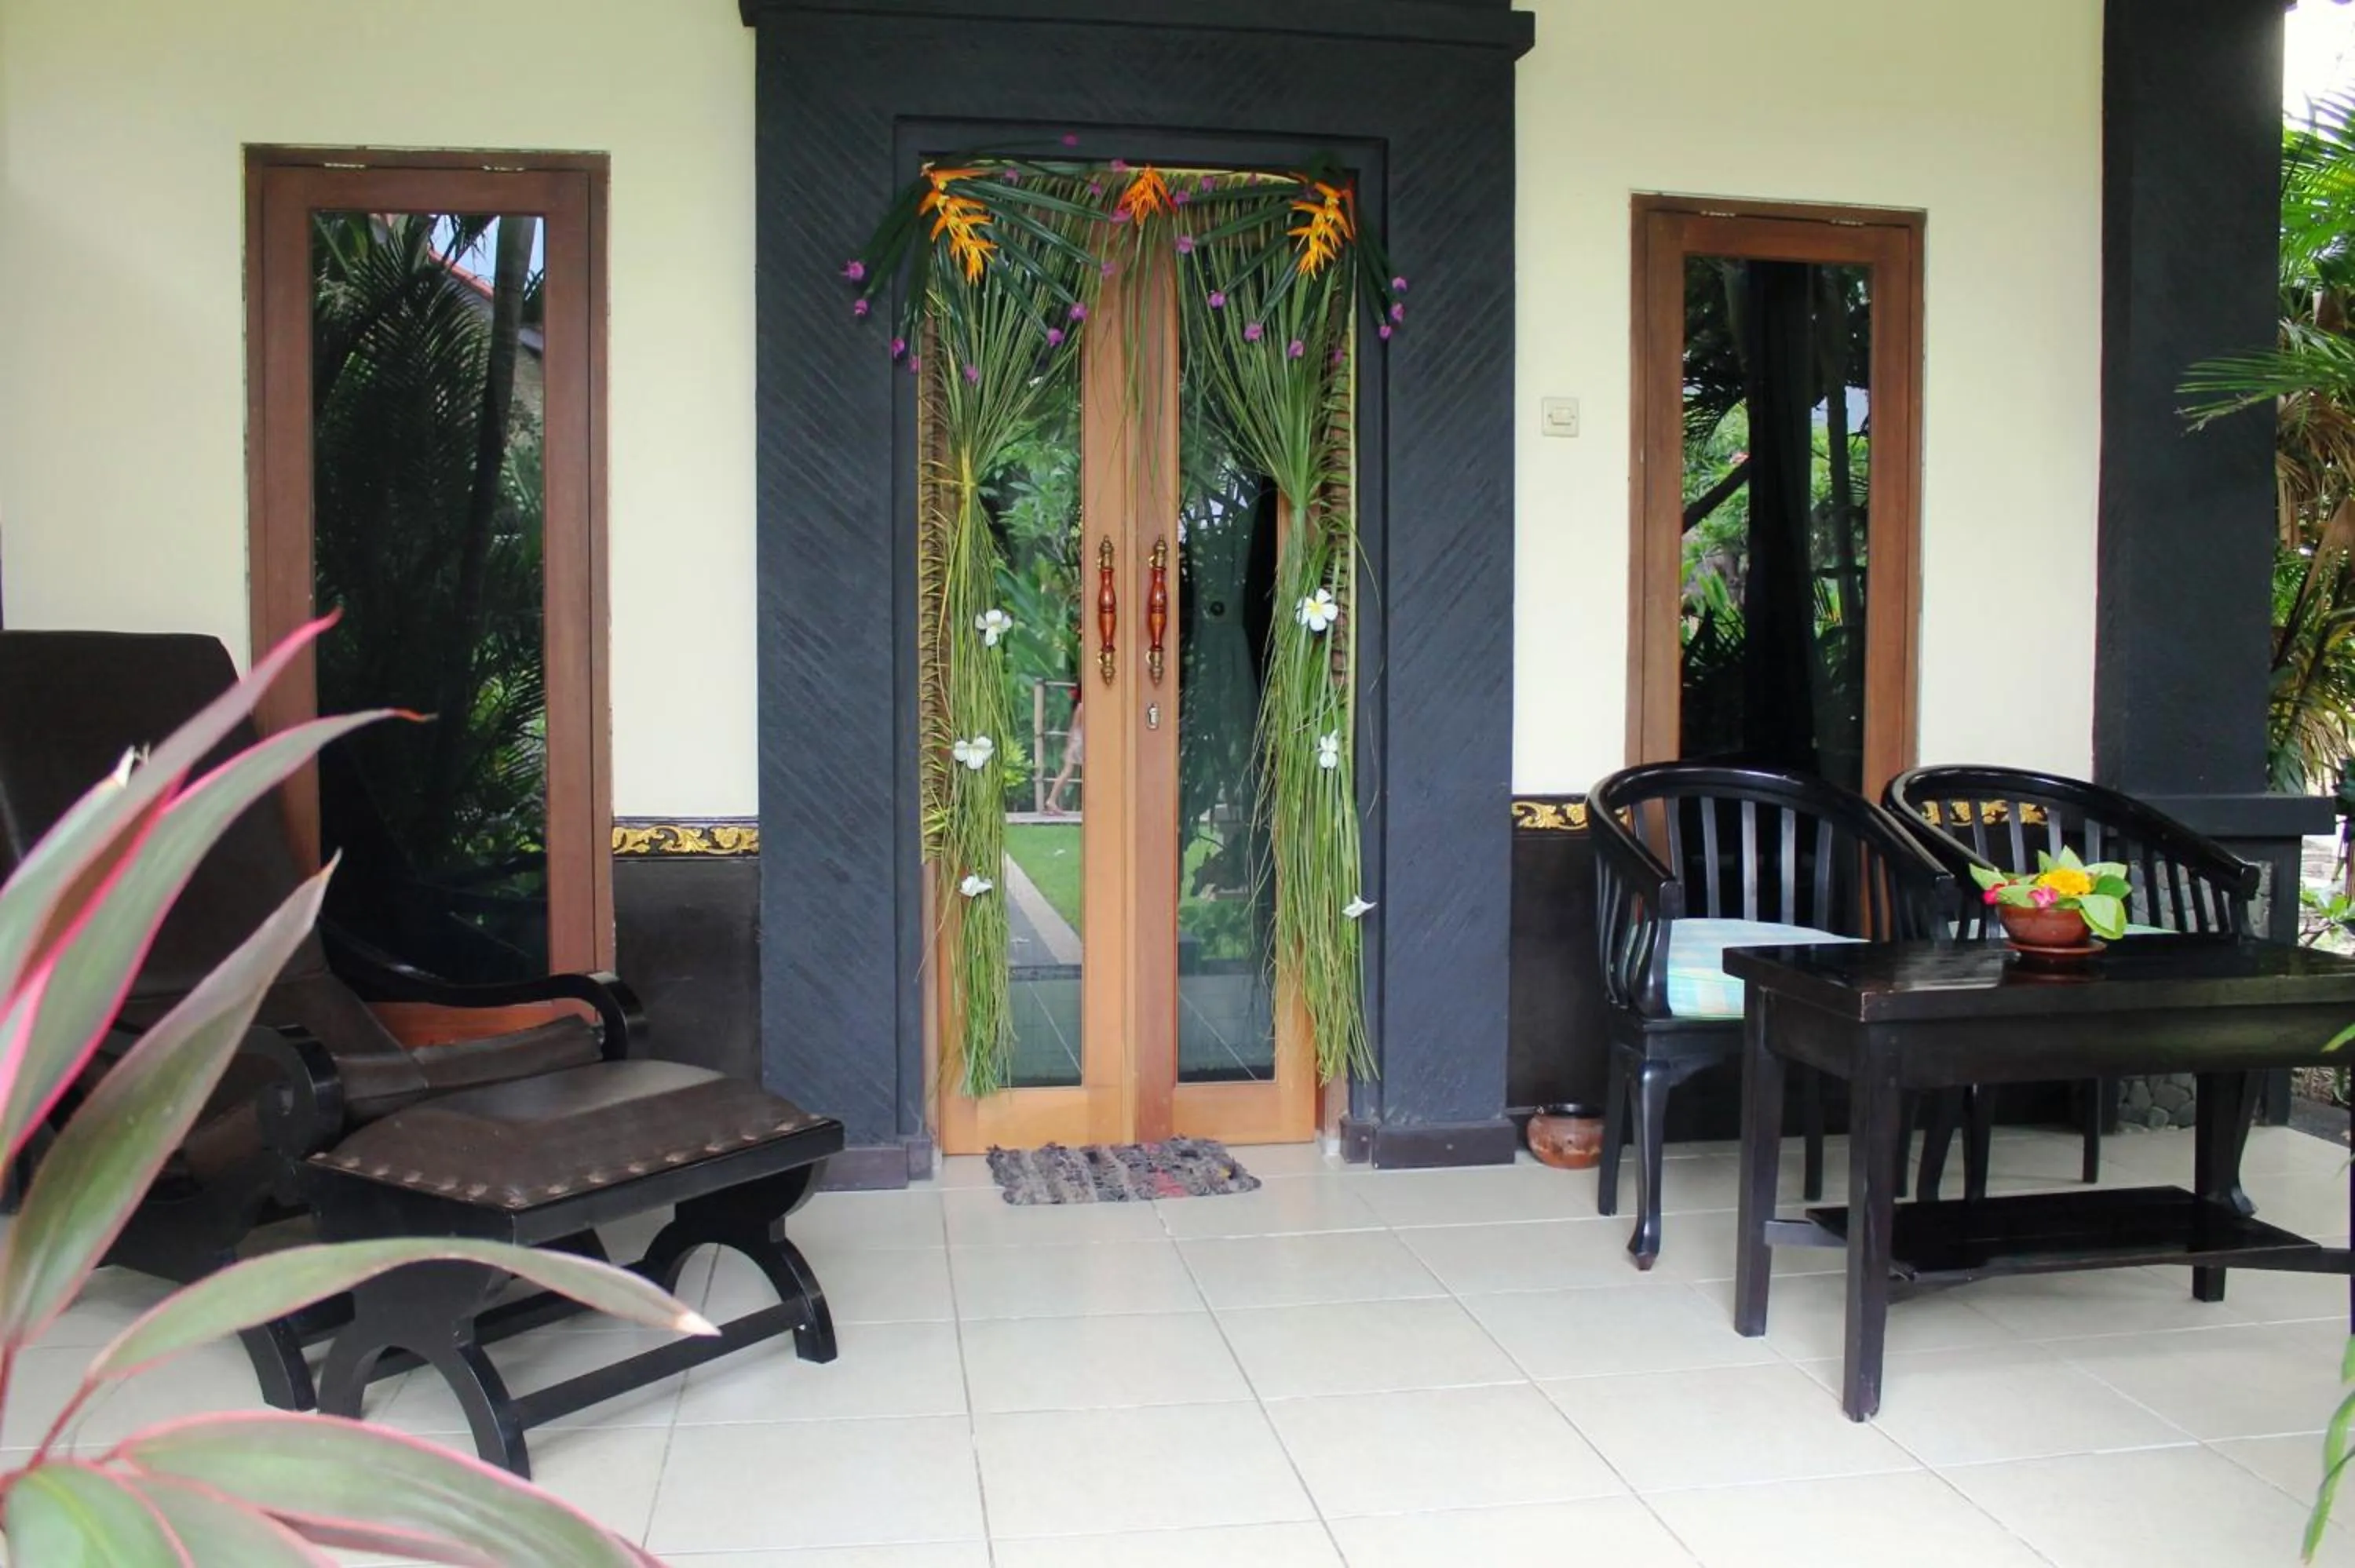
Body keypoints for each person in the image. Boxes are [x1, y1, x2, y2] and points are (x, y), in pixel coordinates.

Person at [1043, 689, 1083, 814]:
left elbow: (1074, 728)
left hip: (1078, 740)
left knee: (1068, 771)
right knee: (1068, 771)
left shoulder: (1082, 706)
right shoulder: (1083, 706)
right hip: (1080, 741)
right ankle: (1051, 800)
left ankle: (1051, 800)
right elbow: (1075, 727)